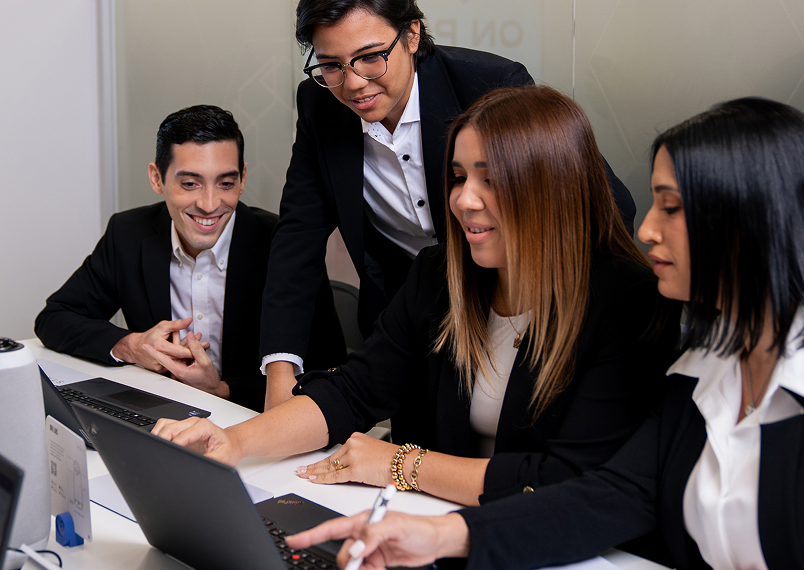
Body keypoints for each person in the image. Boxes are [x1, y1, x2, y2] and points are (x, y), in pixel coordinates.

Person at [287, 97, 804, 570]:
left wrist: (404, 467)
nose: (646, 229)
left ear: (750, 222)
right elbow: (612, 494)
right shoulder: (707, 364)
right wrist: (438, 537)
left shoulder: (633, 307)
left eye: (670, 208)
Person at [154, 86, 676, 510]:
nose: (463, 200)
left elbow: (567, 482)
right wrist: (234, 442)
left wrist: (400, 463)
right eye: (458, 176)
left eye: (491, 180)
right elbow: (353, 392)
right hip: (440, 523)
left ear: (552, 187)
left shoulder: (626, 302)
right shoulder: (441, 274)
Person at [260, 0, 637, 410]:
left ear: (412, 33)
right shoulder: (320, 104)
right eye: (332, 65)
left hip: (512, 316)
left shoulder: (490, 86)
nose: (353, 83)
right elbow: (297, 234)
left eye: (370, 57)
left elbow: (607, 203)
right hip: (408, 325)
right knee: (404, 468)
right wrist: (281, 371)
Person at [35, 105, 341, 412]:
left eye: (225, 183)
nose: (209, 204)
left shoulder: (283, 243)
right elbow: (54, 318)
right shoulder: (127, 234)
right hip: (163, 417)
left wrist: (222, 390)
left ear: (243, 178)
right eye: (190, 183)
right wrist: (133, 346)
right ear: (157, 179)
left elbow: (330, 369)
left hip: (257, 423)